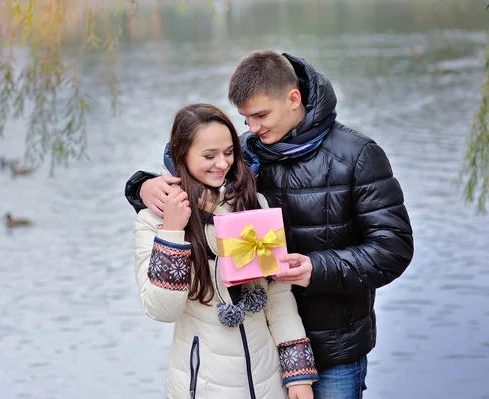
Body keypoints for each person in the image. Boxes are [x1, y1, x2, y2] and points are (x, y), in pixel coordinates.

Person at [126, 51, 414, 399]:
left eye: (261, 116)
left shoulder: (357, 155)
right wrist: (141, 186)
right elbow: (192, 156)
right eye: (246, 120)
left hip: (334, 345)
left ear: (294, 99)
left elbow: (392, 249)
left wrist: (315, 268)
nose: (253, 129)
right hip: (259, 347)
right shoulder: (248, 154)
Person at [133, 103, 318, 399]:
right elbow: (162, 311)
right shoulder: (153, 220)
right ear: (182, 155)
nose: (222, 164)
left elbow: (278, 298)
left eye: (229, 152)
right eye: (209, 155)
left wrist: (299, 375)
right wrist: (171, 233)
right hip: (202, 386)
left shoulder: (253, 203)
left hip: (268, 383)